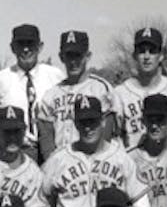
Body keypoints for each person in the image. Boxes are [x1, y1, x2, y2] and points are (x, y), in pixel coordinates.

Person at [41, 96, 150, 207]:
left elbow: (141, 202)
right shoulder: (59, 159)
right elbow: (42, 196)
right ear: (75, 124)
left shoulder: (120, 158)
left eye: (93, 121)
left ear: (103, 121)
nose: (88, 128)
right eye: (83, 122)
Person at [0, 23, 65, 162]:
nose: (25, 49)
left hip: (52, 150)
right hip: (16, 153)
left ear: (40, 46)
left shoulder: (56, 76)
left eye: (30, 43)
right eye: (20, 44)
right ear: (12, 47)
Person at [37, 30, 118, 160]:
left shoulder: (100, 88)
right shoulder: (51, 94)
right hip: (61, 162)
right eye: (69, 56)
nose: (73, 61)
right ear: (61, 57)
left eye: (78, 55)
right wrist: (52, 162)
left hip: (93, 160)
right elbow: (46, 137)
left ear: (88, 56)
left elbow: (107, 134)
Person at [113, 27, 167, 147]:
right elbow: (115, 137)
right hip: (133, 160)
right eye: (142, 51)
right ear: (134, 55)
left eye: (152, 51)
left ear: (161, 55)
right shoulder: (119, 93)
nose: (146, 57)